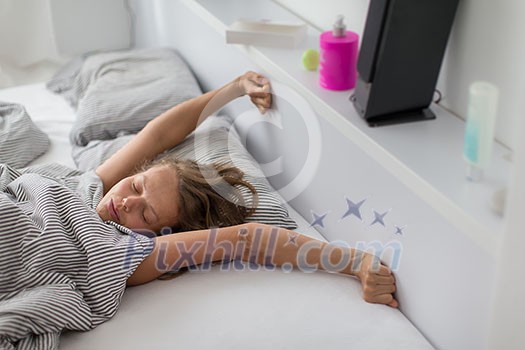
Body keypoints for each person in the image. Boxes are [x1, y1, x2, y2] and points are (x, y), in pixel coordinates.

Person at [93, 71, 398, 308]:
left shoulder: (127, 252)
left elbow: (245, 240)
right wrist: (234, 88)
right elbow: (158, 136)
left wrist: (357, 262)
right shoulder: (96, 188)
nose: (127, 202)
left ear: (162, 235)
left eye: (146, 215)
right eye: (135, 185)